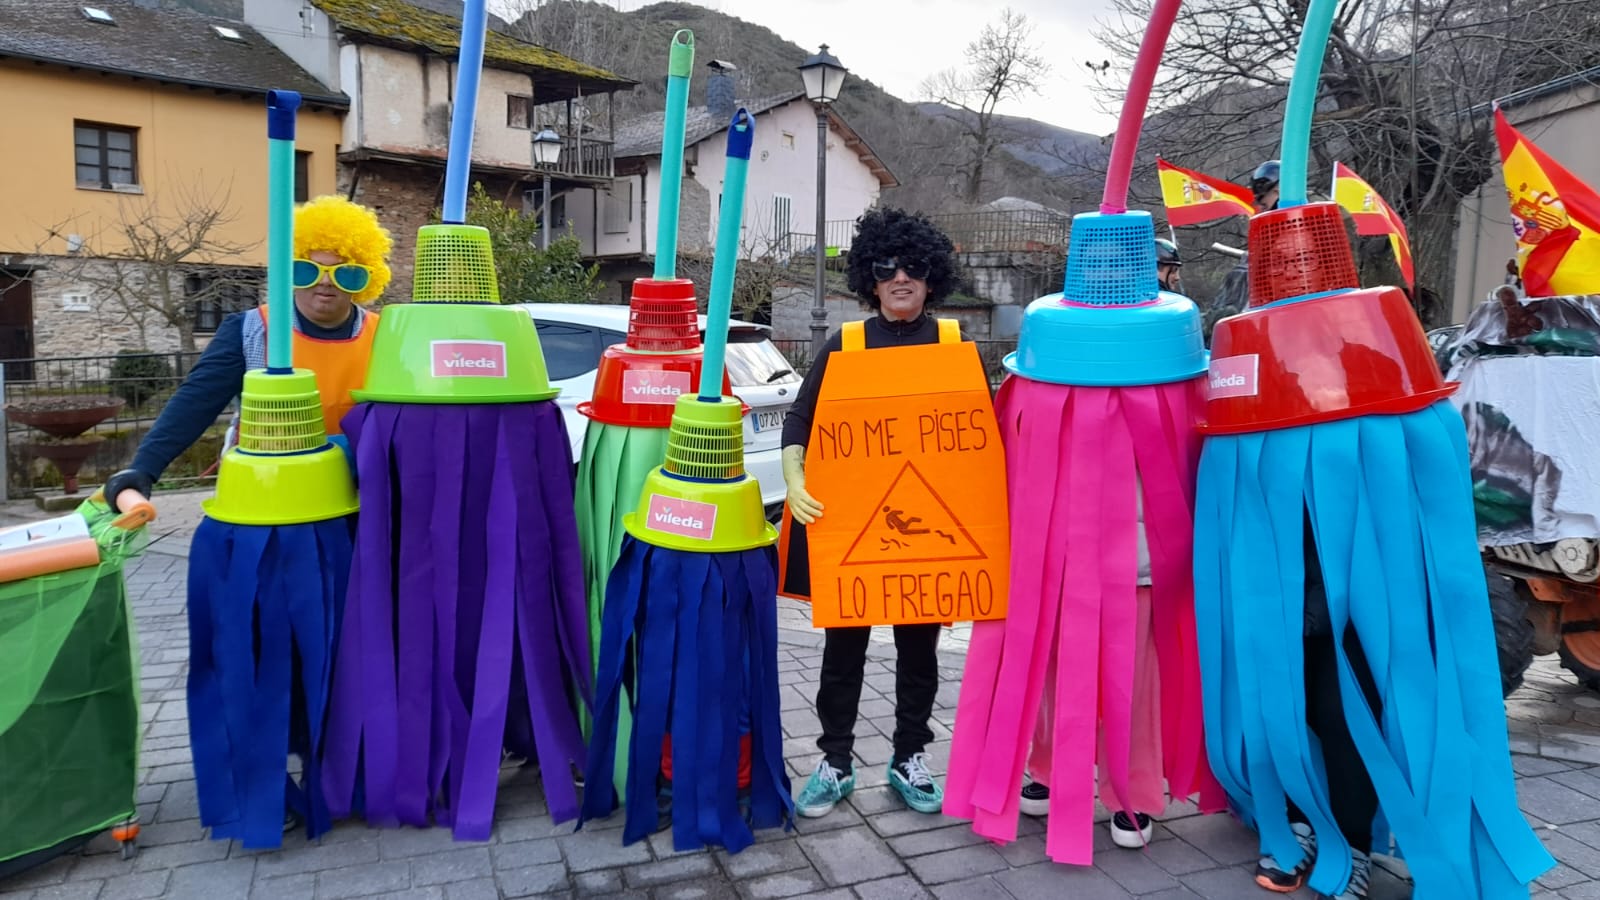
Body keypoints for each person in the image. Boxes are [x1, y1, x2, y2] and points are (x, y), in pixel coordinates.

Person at [780, 207, 964, 818]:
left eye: (913, 266)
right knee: (843, 651)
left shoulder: (952, 343)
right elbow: (801, 417)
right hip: (857, 527)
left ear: (931, 276)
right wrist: (793, 471)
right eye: (887, 267)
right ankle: (834, 760)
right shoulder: (847, 343)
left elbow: (976, 436)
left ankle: (909, 755)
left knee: (920, 652)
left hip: (928, 530)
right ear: (870, 276)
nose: (901, 277)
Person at [105, 196, 391, 507]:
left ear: (367, 277)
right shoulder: (250, 330)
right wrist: (144, 468)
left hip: (356, 494)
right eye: (307, 270)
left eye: (344, 273)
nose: (324, 282)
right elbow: (195, 402)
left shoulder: (386, 336)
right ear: (287, 271)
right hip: (266, 495)